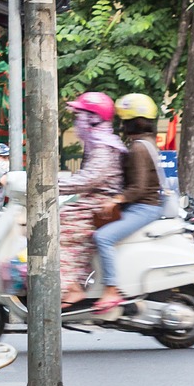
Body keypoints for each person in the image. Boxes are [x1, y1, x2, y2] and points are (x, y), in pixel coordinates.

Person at [91, 94, 166, 313]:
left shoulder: (138, 149)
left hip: (145, 207)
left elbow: (139, 188)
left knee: (102, 237)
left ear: (129, 122)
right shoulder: (146, 143)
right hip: (143, 205)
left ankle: (112, 289)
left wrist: (116, 200)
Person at [58, 92, 125, 308]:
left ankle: (73, 287)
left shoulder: (104, 146)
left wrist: (52, 187)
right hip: (93, 199)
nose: (76, 120)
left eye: (80, 115)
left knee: (60, 228)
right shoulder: (97, 142)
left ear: (93, 118)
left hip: (99, 202)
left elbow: (91, 178)